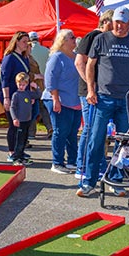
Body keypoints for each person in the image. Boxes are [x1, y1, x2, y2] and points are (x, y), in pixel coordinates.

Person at [77, 6, 129, 198]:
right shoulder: (101, 39)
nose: (120, 26)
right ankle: (89, 181)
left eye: (123, 23)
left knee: (123, 144)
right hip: (103, 97)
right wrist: (90, 89)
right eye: (117, 22)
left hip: (125, 99)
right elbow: (90, 64)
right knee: (95, 140)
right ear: (112, 21)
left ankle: (116, 180)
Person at [74, 10, 113, 180]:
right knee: (90, 128)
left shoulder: (108, 40)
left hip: (101, 90)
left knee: (98, 130)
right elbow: (79, 62)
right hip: (89, 91)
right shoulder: (93, 36)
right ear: (106, 22)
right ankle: (82, 166)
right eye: (114, 22)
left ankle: (97, 165)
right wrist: (91, 84)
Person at [42, 29, 81, 174]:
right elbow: (50, 80)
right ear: (63, 40)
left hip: (74, 100)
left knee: (72, 132)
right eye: (72, 37)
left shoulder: (76, 56)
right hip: (58, 99)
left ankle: (72, 161)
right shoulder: (56, 57)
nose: (74, 39)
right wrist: (55, 99)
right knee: (60, 131)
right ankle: (57, 162)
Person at [0, 31, 31, 162]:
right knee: (14, 125)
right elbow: (5, 79)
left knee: (24, 125)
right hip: (12, 96)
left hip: (24, 96)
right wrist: (6, 98)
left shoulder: (25, 57)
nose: (26, 44)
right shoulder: (9, 58)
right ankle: (12, 151)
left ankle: (20, 150)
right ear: (16, 42)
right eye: (24, 41)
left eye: (27, 42)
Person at [10, 72, 40, 166]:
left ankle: (21, 156)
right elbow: (12, 107)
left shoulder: (28, 93)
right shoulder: (16, 95)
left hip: (27, 121)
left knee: (24, 140)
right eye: (20, 84)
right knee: (19, 140)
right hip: (20, 121)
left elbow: (39, 95)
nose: (21, 86)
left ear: (27, 84)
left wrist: (36, 87)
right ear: (17, 84)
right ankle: (16, 158)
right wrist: (15, 118)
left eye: (23, 85)